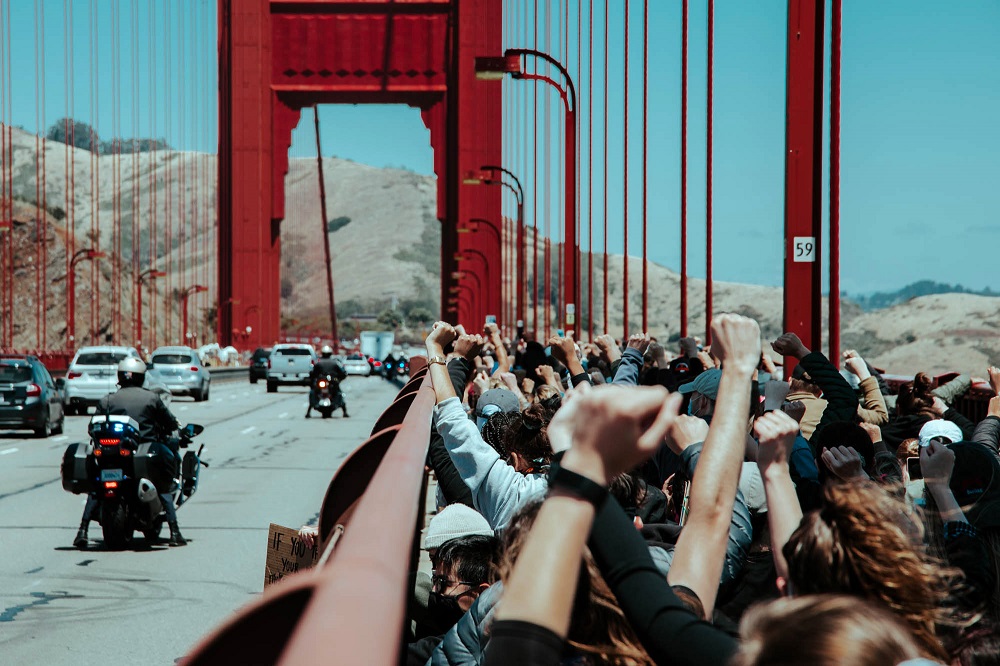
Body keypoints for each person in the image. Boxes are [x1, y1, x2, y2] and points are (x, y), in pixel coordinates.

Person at [74, 357, 186, 548]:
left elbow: (92, 427)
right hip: (143, 452)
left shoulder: (107, 400)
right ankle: (175, 532)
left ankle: (82, 530)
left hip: (111, 454)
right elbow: (169, 423)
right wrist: (176, 429)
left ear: (120, 377)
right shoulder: (151, 398)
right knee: (163, 483)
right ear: (141, 377)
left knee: (96, 488)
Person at [306, 345, 348, 419]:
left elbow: (312, 374)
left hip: (331, 384)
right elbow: (312, 374)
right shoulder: (333, 363)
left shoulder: (320, 363)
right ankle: (344, 412)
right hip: (323, 383)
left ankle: (308, 412)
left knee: (339, 393)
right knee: (313, 392)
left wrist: (337, 380)